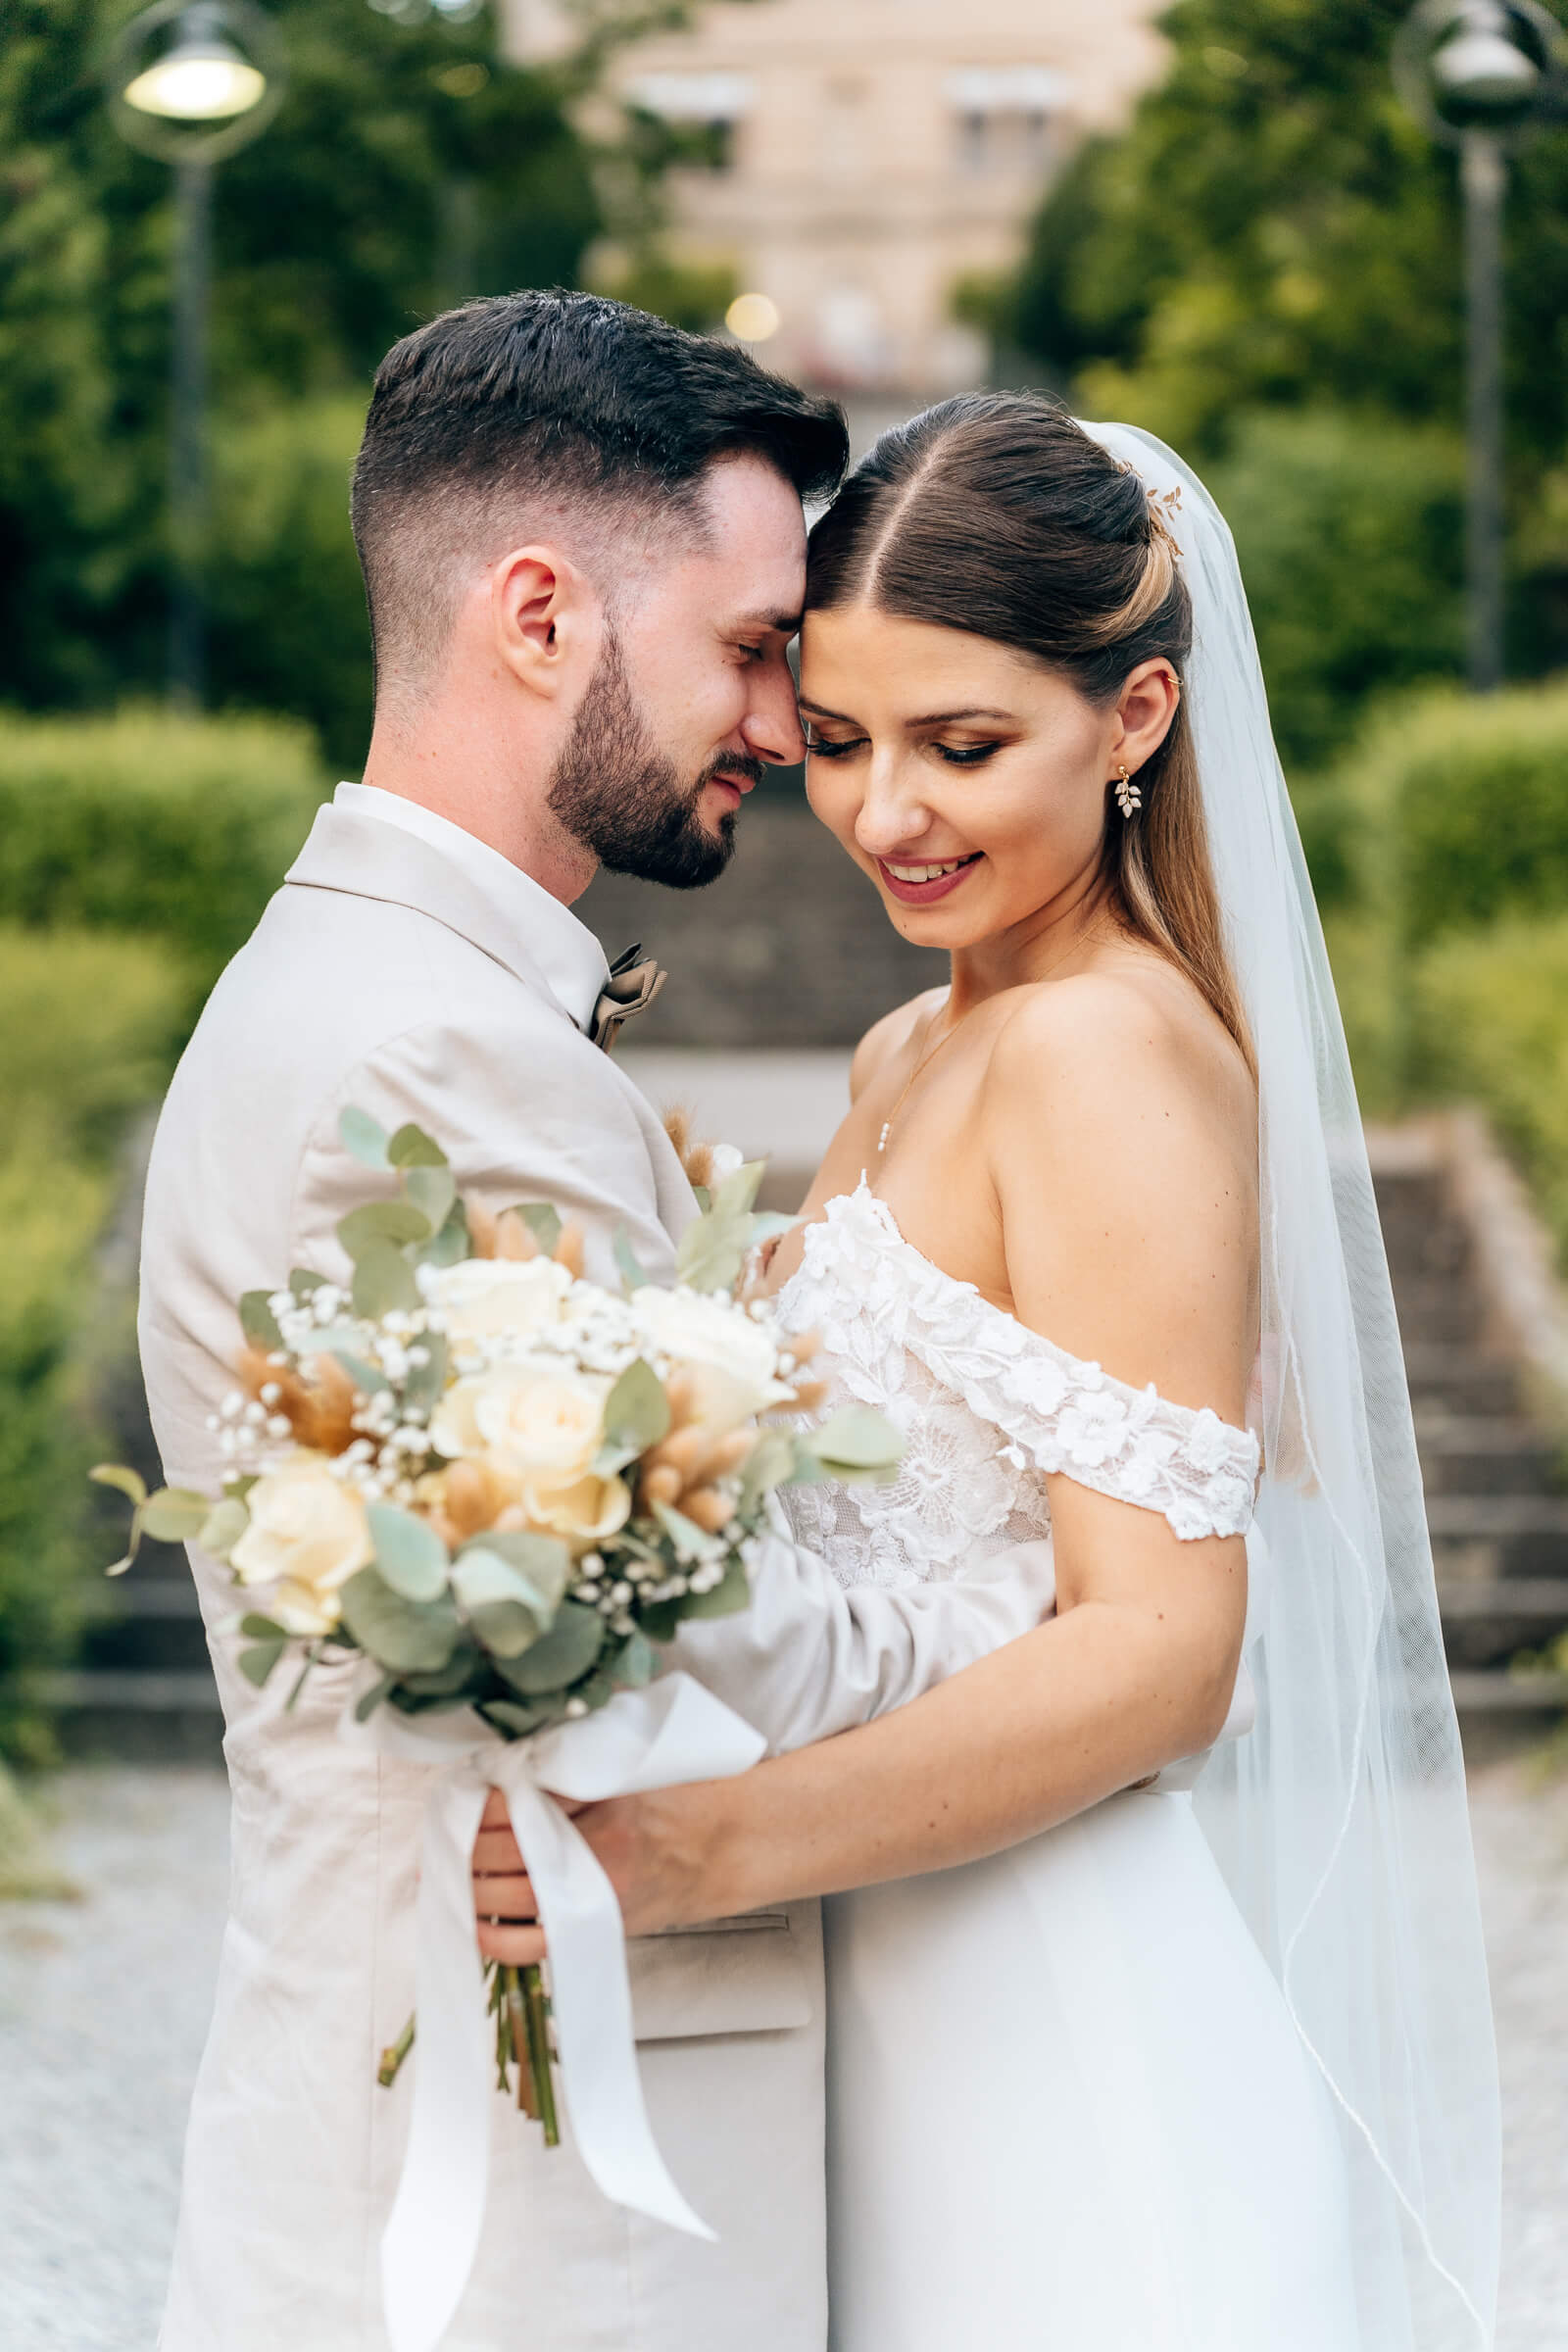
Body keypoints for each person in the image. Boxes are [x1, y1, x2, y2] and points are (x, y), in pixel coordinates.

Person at [476, 397, 1501, 2349]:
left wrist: (693, 1855)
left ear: (1131, 721)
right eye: (841, 740)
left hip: (1053, 2030)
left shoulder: (1101, 1057)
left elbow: (1160, 1655)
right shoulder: (898, 1053)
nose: (881, 816)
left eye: (961, 747)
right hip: (874, 2005)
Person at [135, 297, 1067, 2352]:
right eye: (749, 647)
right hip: (524, 2215)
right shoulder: (444, 1059)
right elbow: (695, 1644)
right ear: (539, 614)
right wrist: (1071, 1594)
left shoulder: (383, 996)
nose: (777, 721)